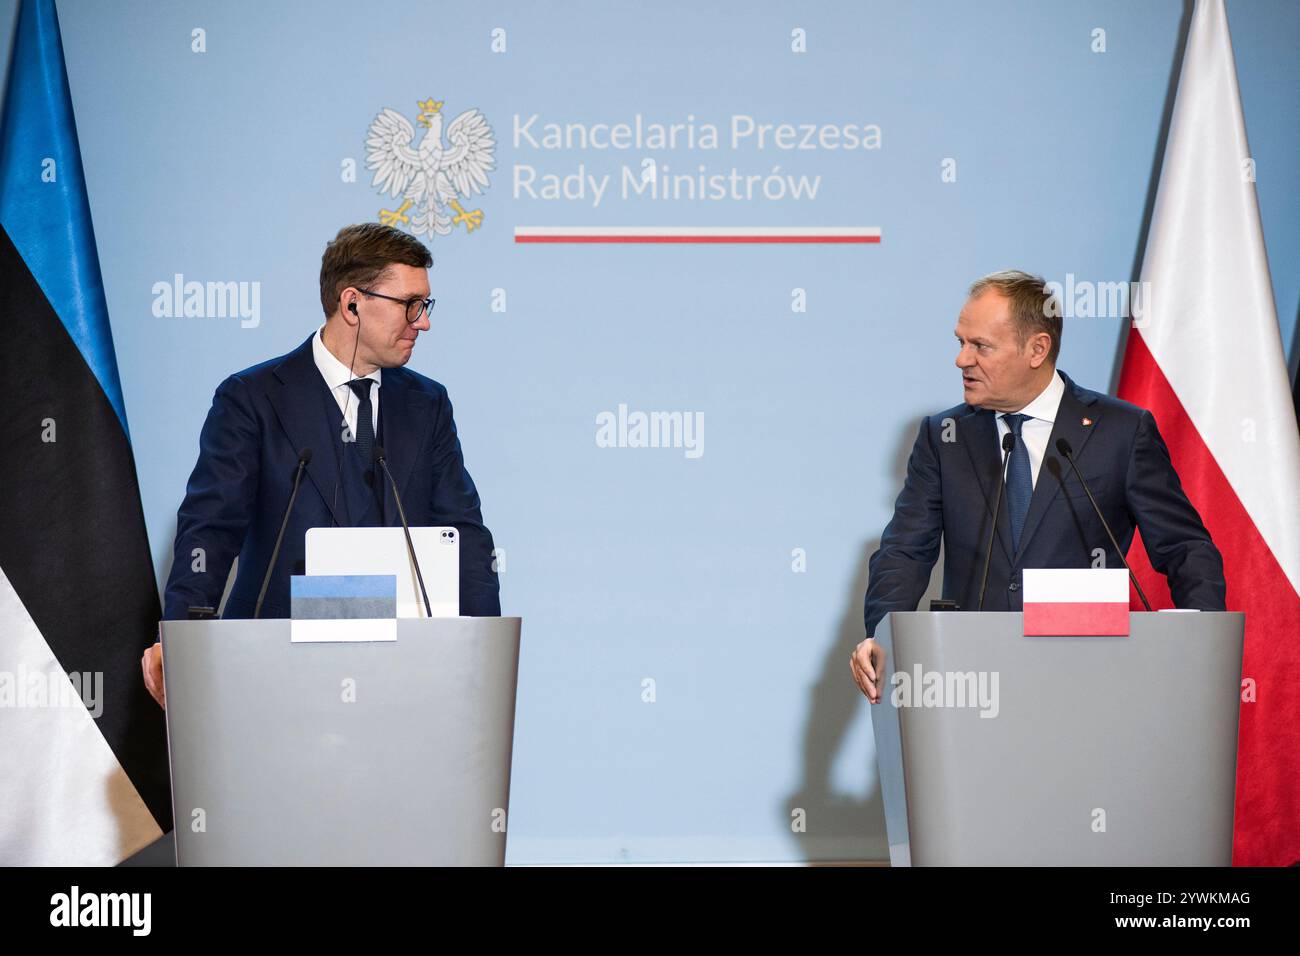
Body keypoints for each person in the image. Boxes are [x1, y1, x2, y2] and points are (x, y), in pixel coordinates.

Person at [142, 223, 499, 707]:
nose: (423, 321)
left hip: (404, 678)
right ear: (352, 303)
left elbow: (464, 534)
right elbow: (211, 527)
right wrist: (181, 639)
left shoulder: (427, 404)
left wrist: (483, 652)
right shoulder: (253, 398)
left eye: (425, 305)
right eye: (410, 305)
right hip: (273, 674)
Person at [849, 270, 1224, 702]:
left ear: (1037, 349)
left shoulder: (1121, 431)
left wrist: (1203, 640)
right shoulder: (945, 436)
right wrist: (882, 634)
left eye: (980, 346)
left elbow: (1183, 546)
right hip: (972, 684)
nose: (961, 360)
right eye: (961, 342)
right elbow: (906, 549)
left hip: (1089, 681)